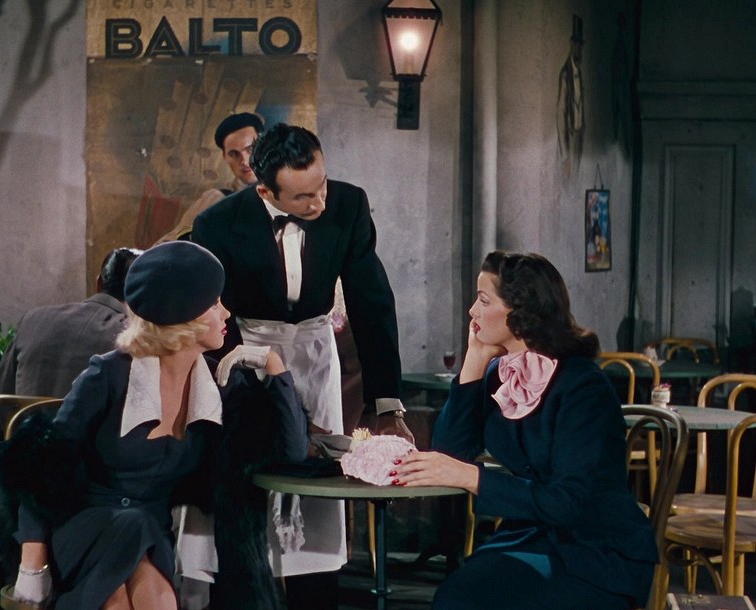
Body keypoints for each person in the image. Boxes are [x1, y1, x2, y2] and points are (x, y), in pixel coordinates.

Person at [0, 241, 308, 610]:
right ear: (183, 315)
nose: (226, 313)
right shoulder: (108, 375)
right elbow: (42, 469)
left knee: (148, 593)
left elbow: (291, 452)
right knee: (123, 585)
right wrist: (32, 567)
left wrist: (273, 365)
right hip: (82, 528)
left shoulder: (220, 385)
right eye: (214, 304)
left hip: (149, 532)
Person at [190, 123, 412, 609]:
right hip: (244, 359)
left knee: (316, 504)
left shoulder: (349, 204)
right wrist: (268, 399)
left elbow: (371, 302)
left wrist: (387, 403)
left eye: (322, 185)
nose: (320, 203)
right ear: (265, 191)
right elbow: (214, 321)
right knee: (246, 501)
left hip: (314, 356)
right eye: (304, 197)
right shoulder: (217, 224)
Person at [392, 251, 658, 610]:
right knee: (456, 595)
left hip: (597, 550)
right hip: (532, 536)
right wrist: (474, 360)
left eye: (484, 300)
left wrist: (473, 477)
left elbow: (566, 502)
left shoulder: (583, 387)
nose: (472, 310)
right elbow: (449, 453)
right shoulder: (499, 374)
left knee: (468, 600)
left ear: (519, 311)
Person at [0, 247, 141, 398]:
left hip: (27, 415)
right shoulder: (134, 337)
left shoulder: (32, 320)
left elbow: (1, 401)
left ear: (98, 283)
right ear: (142, 293)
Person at [155, 112, 264, 243]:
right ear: (225, 157)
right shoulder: (216, 201)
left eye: (250, 149)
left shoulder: (283, 197)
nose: (245, 161)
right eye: (234, 154)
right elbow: (170, 244)